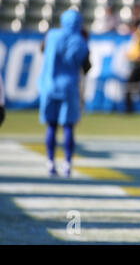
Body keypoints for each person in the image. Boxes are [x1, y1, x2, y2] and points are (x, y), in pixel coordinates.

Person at [37, 9, 89, 177]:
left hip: (50, 85)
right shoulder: (80, 41)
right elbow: (86, 67)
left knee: (51, 125)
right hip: (69, 87)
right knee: (68, 126)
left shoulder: (52, 35)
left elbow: (42, 49)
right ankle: (67, 163)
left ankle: (50, 162)